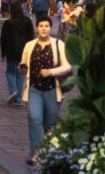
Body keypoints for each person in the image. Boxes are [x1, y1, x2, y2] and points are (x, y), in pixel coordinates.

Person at [20, 14, 71, 167]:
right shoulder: (29, 45)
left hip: (51, 89)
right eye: (41, 26)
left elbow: (67, 66)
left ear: (50, 28)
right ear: (37, 28)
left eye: (46, 26)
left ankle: (50, 153)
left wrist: (51, 72)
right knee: (35, 119)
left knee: (50, 124)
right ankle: (36, 154)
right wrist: (22, 68)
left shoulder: (58, 44)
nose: (43, 29)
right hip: (34, 89)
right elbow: (24, 63)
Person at [1, 0, 34, 104]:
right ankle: (19, 98)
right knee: (21, 75)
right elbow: (31, 37)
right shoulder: (27, 21)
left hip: (10, 51)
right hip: (24, 52)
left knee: (10, 72)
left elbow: (3, 39)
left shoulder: (7, 23)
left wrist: (3, 53)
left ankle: (13, 91)